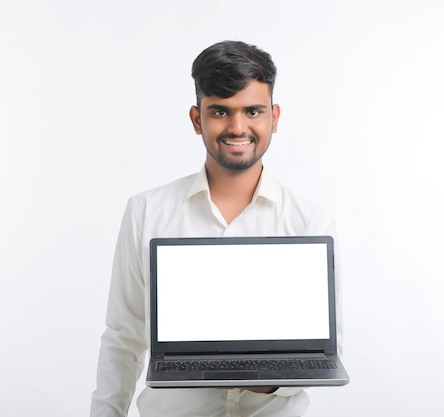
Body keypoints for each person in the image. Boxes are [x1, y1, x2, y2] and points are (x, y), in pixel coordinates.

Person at [90, 40, 342, 417]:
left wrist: (264, 374)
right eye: (220, 111)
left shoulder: (309, 222)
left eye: (253, 111)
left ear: (274, 117)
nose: (237, 127)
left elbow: (327, 349)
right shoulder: (146, 211)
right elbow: (123, 337)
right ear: (197, 119)